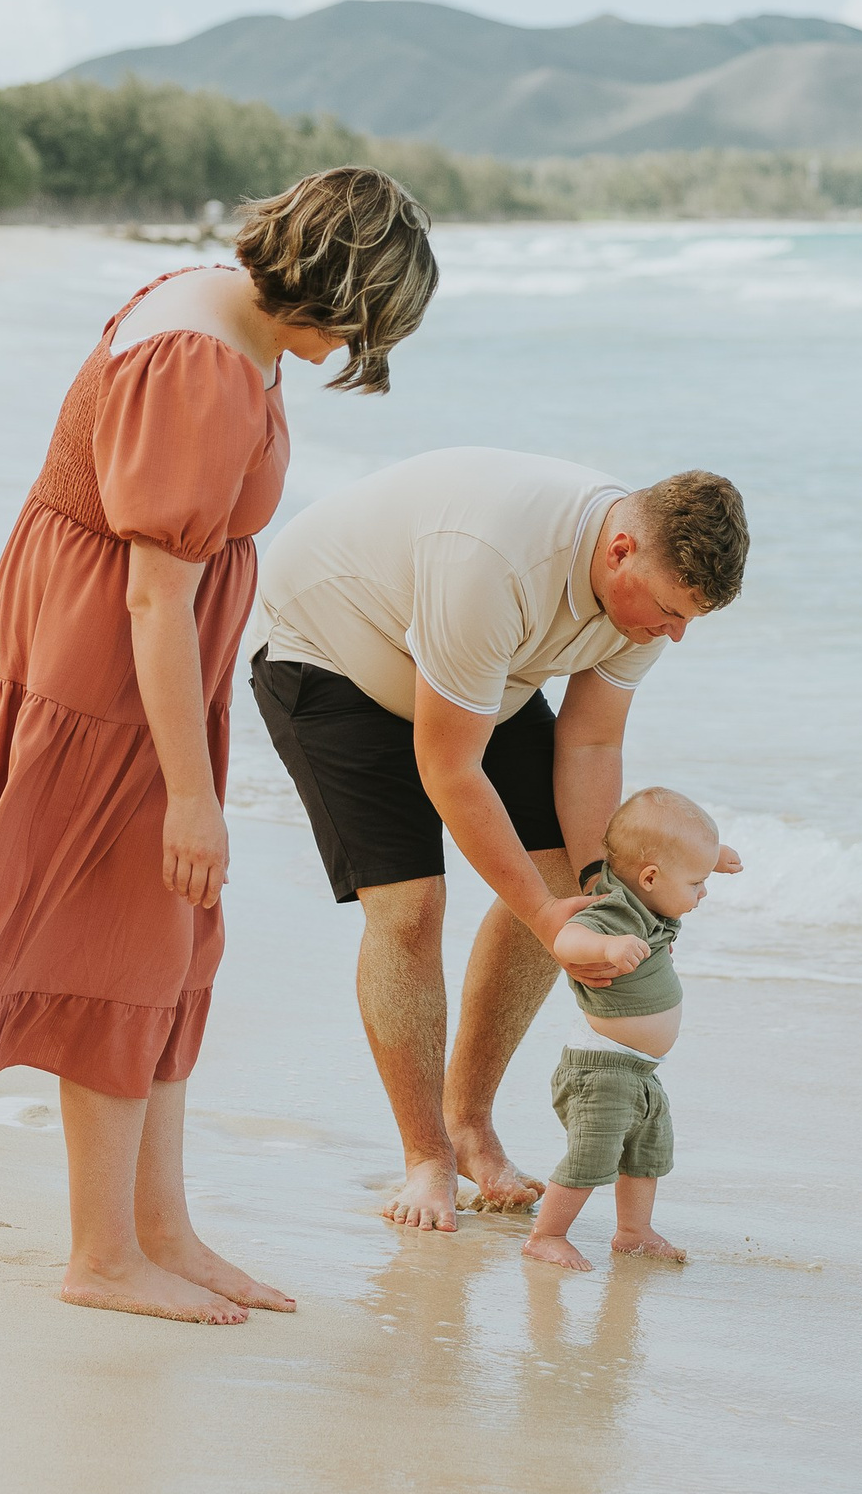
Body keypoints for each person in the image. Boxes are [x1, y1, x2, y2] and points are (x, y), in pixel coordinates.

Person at [0, 169, 439, 1326]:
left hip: (133, 667)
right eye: (361, 323)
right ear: (332, 284)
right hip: (108, 672)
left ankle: (160, 1229)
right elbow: (153, 595)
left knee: (172, 947)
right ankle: (101, 1253)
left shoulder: (224, 306)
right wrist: (191, 796)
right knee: (122, 943)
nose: (351, 350)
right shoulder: (202, 362)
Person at [248, 451, 749, 1230]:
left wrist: (605, 896)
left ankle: (470, 1126)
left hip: (476, 670)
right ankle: (426, 1159)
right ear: (621, 549)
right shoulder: (493, 563)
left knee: (567, 878)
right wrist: (546, 919)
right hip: (331, 649)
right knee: (412, 904)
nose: (674, 634)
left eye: (690, 619)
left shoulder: (646, 599)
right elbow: (449, 770)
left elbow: (590, 744)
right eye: (669, 611)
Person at [525, 786, 731, 1274]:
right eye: (696, 882)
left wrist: (709, 857)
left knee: (646, 1153)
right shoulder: (617, 911)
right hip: (601, 1069)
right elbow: (568, 937)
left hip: (639, 1069)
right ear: (651, 877)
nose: (703, 893)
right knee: (591, 1155)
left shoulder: (652, 904)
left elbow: (671, 866)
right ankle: (547, 1236)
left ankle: (634, 1232)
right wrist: (606, 949)